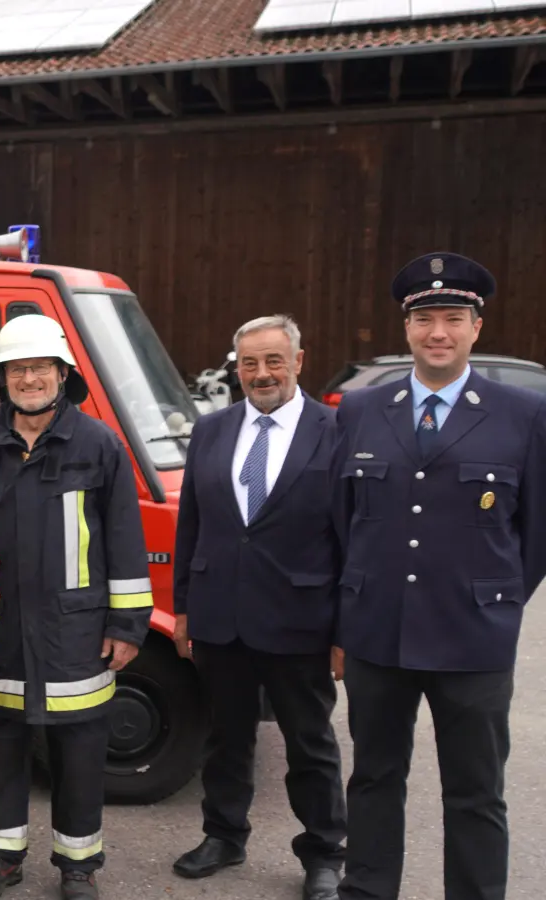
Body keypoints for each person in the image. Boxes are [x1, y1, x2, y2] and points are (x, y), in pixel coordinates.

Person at [334, 254, 546, 900]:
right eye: (426, 319)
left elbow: (533, 535)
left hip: (473, 641)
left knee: (476, 792)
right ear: (406, 328)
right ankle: (368, 891)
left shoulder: (524, 414)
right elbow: (344, 523)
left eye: (453, 318)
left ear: (476, 327)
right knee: (373, 778)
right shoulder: (362, 411)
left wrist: (494, 601)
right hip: (378, 637)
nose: (438, 333)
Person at [0, 315, 151, 900]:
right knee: (5, 748)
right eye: (19, 369)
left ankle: (78, 866)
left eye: (41, 368)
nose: (30, 379)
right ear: (3, 379)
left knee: (81, 753)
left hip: (78, 630)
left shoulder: (99, 444)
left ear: (62, 374)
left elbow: (124, 536)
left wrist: (127, 624)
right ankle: (1, 858)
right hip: (6, 630)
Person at [170, 315, 345, 900]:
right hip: (221, 614)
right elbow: (191, 523)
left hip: (300, 620)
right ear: (235, 367)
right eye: (249, 363)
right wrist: (185, 609)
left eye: (273, 361)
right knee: (226, 737)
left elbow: (351, 537)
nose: (261, 373)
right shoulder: (213, 430)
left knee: (309, 743)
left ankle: (324, 852)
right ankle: (223, 835)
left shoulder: (335, 431)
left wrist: (345, 628)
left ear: (299, 360)